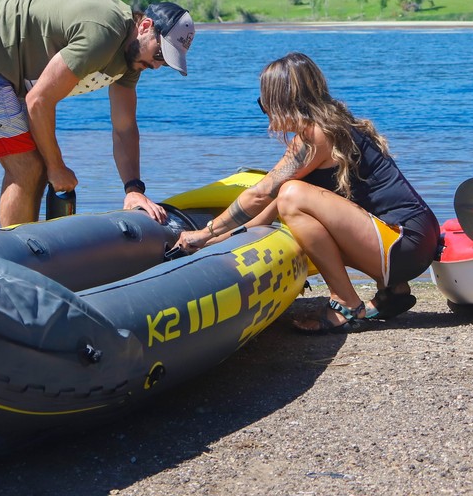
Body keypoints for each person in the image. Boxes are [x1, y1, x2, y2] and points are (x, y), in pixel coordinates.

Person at [176, 52, 438, 333]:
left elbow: (260, 194)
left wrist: (204, 232)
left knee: (290, 194)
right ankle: (393, 293)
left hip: (403, 243)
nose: (264, 111)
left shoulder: (316, 136)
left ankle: (347, 303)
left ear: (282, 102)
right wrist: (211, 244)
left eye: (264, 103)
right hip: (415, 239)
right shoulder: (332, 127)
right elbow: (262, 217)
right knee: (288, 196)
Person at [0, 0, 194, 226]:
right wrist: (57, 167)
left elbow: (124, 127)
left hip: (1, 69)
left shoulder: (132, 57)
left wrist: (134, 190)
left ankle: (31, 252)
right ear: (146, 25)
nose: (157, 66)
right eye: (160, 54)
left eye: (166, 62)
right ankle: (13, 262)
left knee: (38, 168)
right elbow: (39, 101)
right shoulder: (104, 33)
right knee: (29, 168)